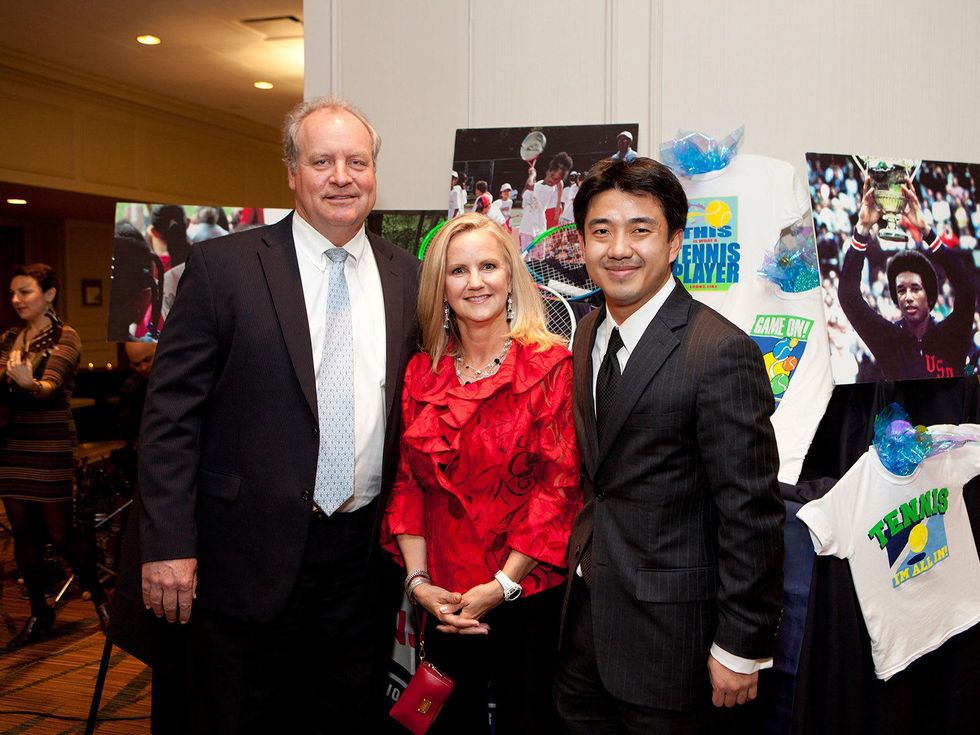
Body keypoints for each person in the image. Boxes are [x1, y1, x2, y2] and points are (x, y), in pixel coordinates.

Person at [137, 97, 420, 733]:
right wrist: (168, 544)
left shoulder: (410, 276)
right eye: (323, 161)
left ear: (374, 172)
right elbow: (169, 418)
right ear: (292, 171)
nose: (342, 176)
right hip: (241, 559)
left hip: (363, 560)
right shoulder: (222, 269)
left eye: (357, 161)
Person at [553, 157, 784, 733]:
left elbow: (750, 511)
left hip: (674, 649)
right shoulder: (587, 331)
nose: (618, 248)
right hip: (585, 634)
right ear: (581, 244)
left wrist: (739, 647)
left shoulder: (719, 351)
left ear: (676, 241)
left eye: (640, 229)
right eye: (601, 231)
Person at [382, 213, 581, 733]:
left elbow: (557, 492)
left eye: (488, 266)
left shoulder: (553, 366)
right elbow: (406, 485)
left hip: (526, 593)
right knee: (443, 723)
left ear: (511, 275)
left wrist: (501, 585)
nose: (475, 282)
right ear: (440, 287)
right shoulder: (421, 372)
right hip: (443, 599)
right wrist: (419, 582)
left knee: (529, 722)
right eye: (458, 270)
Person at [1, 263, 109, 648]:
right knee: (24, 534)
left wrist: (33, 385)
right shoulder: (9, 338)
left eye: (25, 292)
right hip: (13, 446)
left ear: (48, 294)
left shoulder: (66, 336)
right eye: (13, 293)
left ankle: (102, 599)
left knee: (60, 534)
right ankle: (39, 612)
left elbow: (50, 385)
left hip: (49, 444)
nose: (17, 300)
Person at [838, 177, 976, 380]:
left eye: (915, 288)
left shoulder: (951, 335)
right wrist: (863, 228)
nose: (908, 296)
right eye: (901, 290)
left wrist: (926, 231)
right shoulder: (889, 340)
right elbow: (849, 296)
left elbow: (966, 288)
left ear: (930, 296)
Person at [519, 152, 573, 248]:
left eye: (556, 180)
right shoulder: (539, 184)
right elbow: (525, 193)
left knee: (538, 258)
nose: (553, 181)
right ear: (548, 171)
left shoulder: (548, 188)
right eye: (552, 175)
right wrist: (532, 177)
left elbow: (529, 186)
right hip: (528, 227)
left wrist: (532, 175)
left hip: (538, 229)